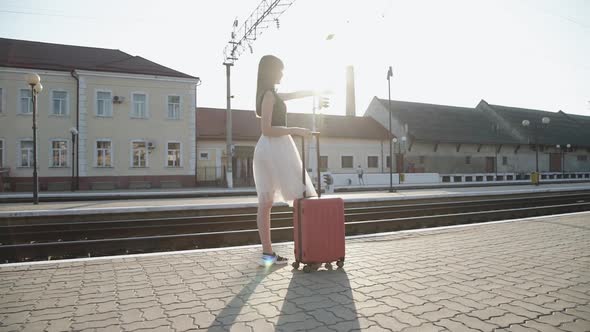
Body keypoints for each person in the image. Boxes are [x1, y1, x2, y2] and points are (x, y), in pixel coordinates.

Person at [253, 55, 322, 266]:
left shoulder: (271, 94)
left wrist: (313, 91)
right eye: (280, 70)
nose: (283, 73)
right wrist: (296, 130)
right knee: (303, 195)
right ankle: (312, 249)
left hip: (270, 148)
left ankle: (269, 255)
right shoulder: (268, 96)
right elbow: (266, 128)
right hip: (275, 147)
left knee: (266, 203)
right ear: (271, 71)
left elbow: (291, 94)